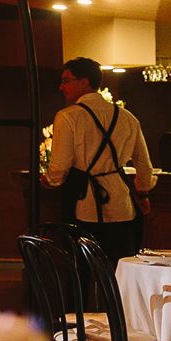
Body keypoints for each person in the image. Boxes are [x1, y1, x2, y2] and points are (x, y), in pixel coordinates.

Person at [44, 57, 155, 261]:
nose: (61, 87)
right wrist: (143, 193)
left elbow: (60, 167)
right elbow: (144, 164)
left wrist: (49, 180)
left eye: (66, 80)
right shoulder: (128, 117)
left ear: (84, 82)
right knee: (119, 266)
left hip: (82, 202)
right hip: (121, 204)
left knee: (83, 267)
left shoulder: (68, 116)